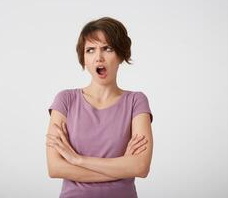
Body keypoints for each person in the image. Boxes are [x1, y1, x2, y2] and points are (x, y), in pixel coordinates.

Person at [45, 17, 154, 198]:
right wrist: (122, 166)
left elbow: (140, 167)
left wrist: (77, 160)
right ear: (84, 59)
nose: (98, 57)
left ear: (121, 55)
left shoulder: (137, 101)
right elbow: (55, 168)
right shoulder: (65, 100)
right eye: (90, 50)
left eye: (107, 48)